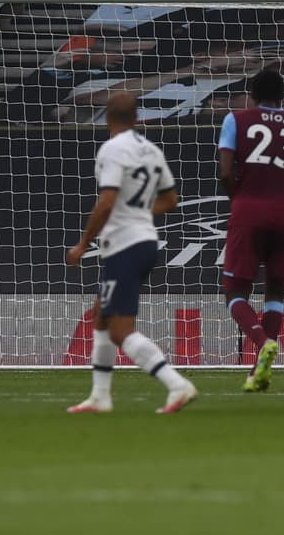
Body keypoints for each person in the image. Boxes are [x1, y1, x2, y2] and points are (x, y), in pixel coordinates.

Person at [65, 92, 199, 414]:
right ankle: (100, 396)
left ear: (108, 118)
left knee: (120, 329)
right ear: (137, 118)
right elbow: (171, 200)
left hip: (124, 244)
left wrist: (83, 243)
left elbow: (108, 199)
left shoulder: (112, 149)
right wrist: (138, 213)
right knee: (101, 315)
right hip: (145, 241)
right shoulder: (150, 150)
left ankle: (177, 384)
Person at [217, 70, 284, 392]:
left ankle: (261, 341)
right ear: (283, 95)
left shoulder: (236, 120)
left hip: (250, 210)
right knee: (275, 291)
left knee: (235, 291)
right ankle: (260, 369)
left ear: (252, 94)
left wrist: (242, 199)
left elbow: (225, 172)